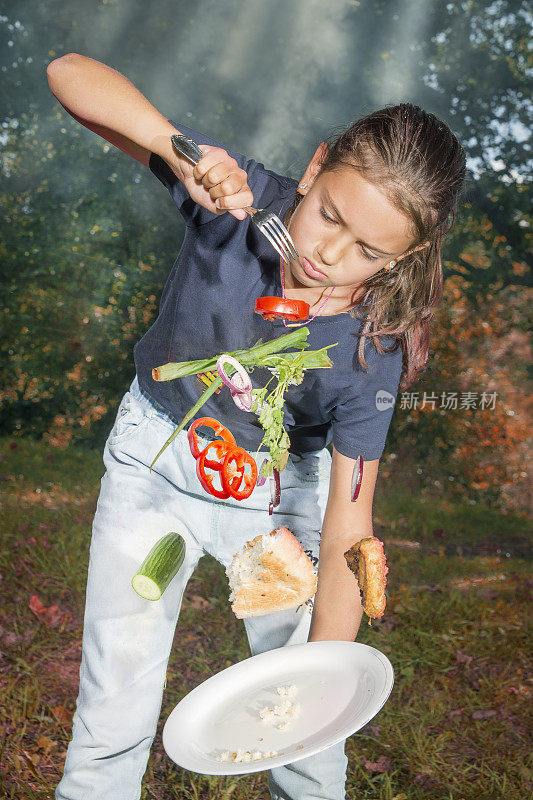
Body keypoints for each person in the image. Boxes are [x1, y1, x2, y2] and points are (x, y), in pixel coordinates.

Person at [47, 53, 466, 800]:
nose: (326, 254)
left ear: (405, 257)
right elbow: (69, 77)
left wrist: (320, 676)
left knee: (306, 736)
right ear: (312, 170)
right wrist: (182, 157)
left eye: (367, 251)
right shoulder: (235, 203)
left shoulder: (375, 351)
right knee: (111, 715)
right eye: (328, 215)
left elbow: (347, 529)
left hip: (277, 506)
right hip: (157, 467)